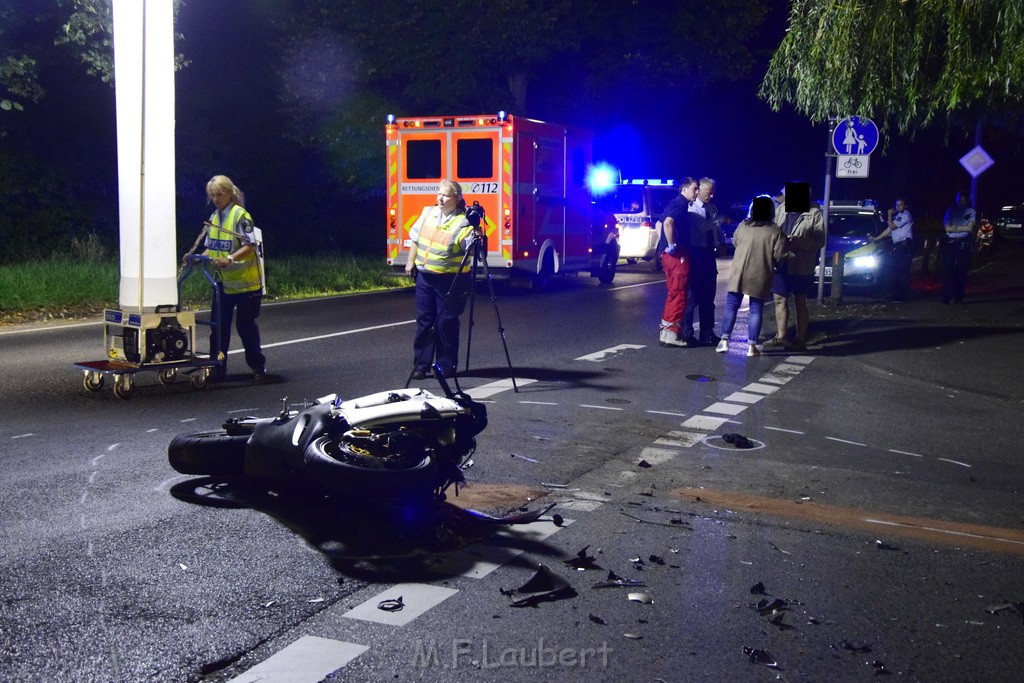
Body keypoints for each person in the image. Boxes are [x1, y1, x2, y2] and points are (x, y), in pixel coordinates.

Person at [404, 179, 480, 379]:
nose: (440, 197)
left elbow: (471, 249)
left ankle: (446, 365)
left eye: (445, 195)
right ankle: (421, 365)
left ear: (456, 199)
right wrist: (410, 262)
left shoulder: (463, 221)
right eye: (439, 193)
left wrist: (477, 231)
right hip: (425, 277)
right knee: (424, 321)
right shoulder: (427, 213)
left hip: (450, 280)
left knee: (446, 322)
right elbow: (415, 239)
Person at [195, 175, 266, 383]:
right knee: (218, 327)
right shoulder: (215, 217)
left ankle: (257, 367)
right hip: (223, 283)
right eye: (213, 195)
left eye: (219, 194)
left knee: (246, 327)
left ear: (230, 193)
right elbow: (212, 247)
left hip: (245, 284)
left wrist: (231, 258)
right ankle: (217, 368)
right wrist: (197, 257)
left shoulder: (240, 215)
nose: (216, 199)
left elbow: (250, 245)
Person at [717, 195, 786, 357]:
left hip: (739, 273)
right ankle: (751, 347)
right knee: (756, 310)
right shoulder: (775, 231)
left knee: (731, 308)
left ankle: (724, 341)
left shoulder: (743, 226)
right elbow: (780, 254)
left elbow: (735, 242)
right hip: (760, 273)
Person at [764, 184, 825, 352]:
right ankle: (781, 336)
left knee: (800, 301)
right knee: (779, 299)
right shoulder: (781, 210)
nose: (786, 198)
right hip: (781, 263)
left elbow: (820, 241)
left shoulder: (814, 214)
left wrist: (800, 242)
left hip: (801, 264)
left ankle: (800, 339)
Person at [658, 177, 701, 347]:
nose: (696, 192)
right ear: (684, 189)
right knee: (679, 293)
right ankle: (671, 335)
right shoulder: (680, 204)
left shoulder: (676, 203)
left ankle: (667, 332)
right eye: (694, 188)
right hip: (677, 256)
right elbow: (667, 222)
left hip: (672, 255)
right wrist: (671, 245)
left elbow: (660, 222)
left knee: (675, 293)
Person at [681, 177, 721, 347]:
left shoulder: (711, 207)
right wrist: (717, 221)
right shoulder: (692, 208)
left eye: (713, 192)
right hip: (696, 254)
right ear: (699, 191)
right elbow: (704, 227)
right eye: (708, 192)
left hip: (708, 256)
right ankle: (686, 333)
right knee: (692, 298)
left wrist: (721, 241)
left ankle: (707, 332)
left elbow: (715, 230)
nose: (711, 196)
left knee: (708, 296)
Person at [872, 197, 914, 300]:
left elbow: (892, 227)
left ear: (906, 206)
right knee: (892, 269)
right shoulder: (898, 216)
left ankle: (900, 295)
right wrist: (876, 239)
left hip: (904, 246)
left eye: (900, 204)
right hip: (899, 246)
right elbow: (888, 230)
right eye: (897, 204)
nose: (898, 206)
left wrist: (889, 215)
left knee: (902, 271)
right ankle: (891, 293)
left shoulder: (905, 215)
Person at [941, 191, 977, 304]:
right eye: (959, 199)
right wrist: (962, 227)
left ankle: (958, 296)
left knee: (961, 270)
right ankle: (946, 296)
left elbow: (970, 228)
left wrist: (954, 227)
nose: (961, 202)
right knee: (948, 270)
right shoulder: (950, 210)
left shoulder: (971, 211)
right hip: (950, 242)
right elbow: (947, 228)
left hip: (963, 243)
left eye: (963, 200)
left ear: (967, 200)